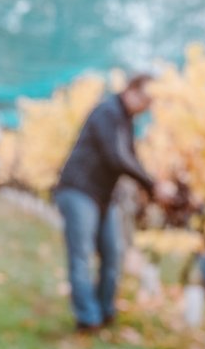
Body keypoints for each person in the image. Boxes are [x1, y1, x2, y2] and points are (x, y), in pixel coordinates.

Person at [52, 74, 165, 331]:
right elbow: (117, 157)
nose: (148, 106)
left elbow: (131, 158)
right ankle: (88, 318)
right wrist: (151, 184)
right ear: (131, 91)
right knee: (81, 256)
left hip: (103, 195)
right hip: (79, 190)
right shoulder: (108, 112)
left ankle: (105, 311)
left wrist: (151, 185)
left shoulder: (126, 121)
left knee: (113, 254)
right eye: (146, 99)